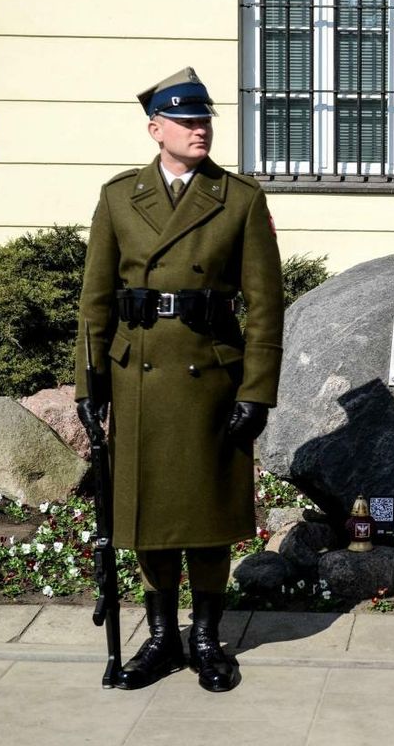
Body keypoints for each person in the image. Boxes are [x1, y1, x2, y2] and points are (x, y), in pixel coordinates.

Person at [74, 67, 284, 693]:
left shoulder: (240, 199)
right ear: (155, 128)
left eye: (206, 120)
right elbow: (94, 303)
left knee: (207, 514)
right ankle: (162, 638)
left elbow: (265, 306)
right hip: (137, 376)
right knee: (148, 514)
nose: (201, 130)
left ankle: (206, 638)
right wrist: (89, 388)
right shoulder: (119, 197)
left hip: (208, 377)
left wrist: (256, 391)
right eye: (188, 121)